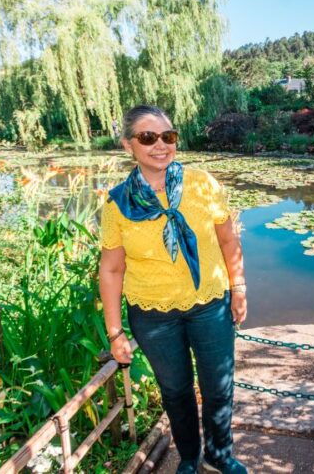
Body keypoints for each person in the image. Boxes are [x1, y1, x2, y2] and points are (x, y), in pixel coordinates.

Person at [99, 105, 248, 474]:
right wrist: (115, 331)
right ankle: (188, 457)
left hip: (209, 304)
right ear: (127, 145)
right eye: (148, 137)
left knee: (218, 385)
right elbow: (112, 269)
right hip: (152, 315)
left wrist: (239, 287)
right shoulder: (117, 203)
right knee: (177, 391)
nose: (161, 145)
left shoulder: (201, 183)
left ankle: (219, 455)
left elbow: (228, 241)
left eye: (168, 136)